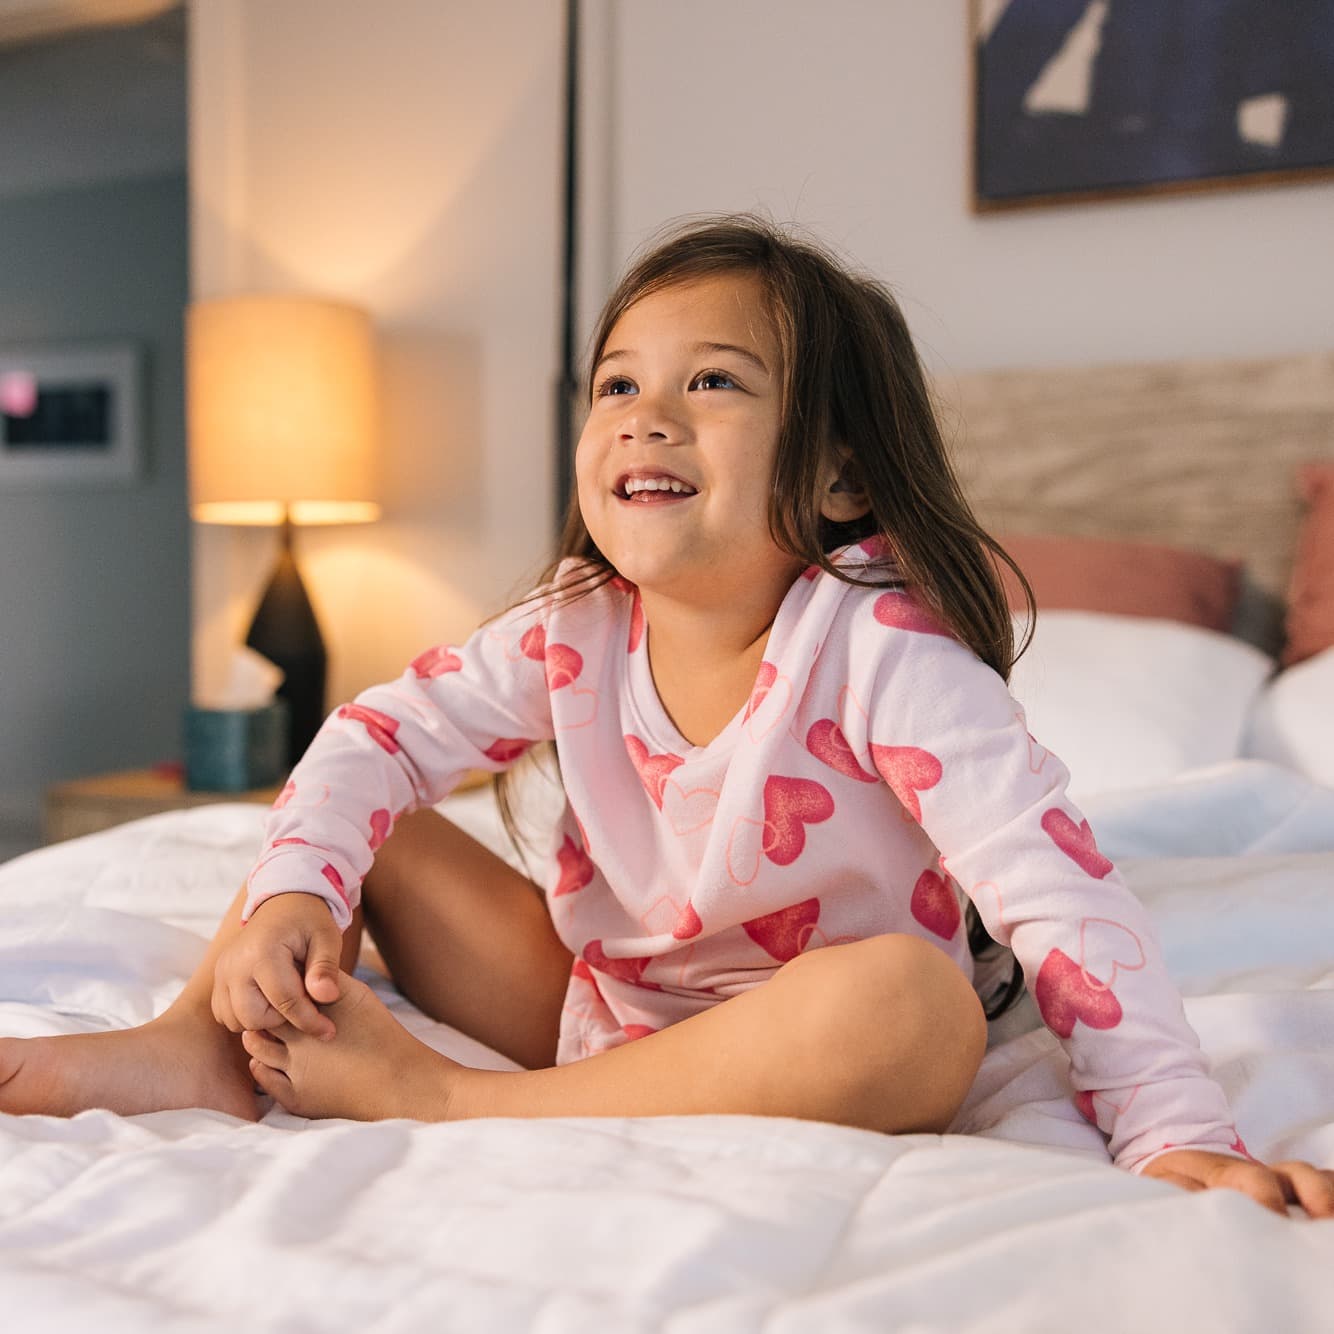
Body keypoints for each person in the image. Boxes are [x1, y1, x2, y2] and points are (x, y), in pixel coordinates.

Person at [2, 216, 1331, 1218]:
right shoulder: (569, 623)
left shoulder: (882, 649)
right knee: (362, 825)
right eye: (616, 384)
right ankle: (198, 1044)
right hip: (603, 1007)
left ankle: (459, 1102)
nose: (647, 414)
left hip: (806, 1026)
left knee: (917, 1003)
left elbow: (1057, 893)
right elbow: (374, 736)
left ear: (832, 471)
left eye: (711, 383)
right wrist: (300, 887)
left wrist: (1170, 1132)